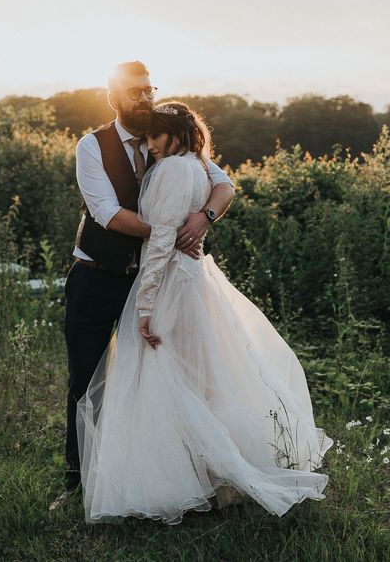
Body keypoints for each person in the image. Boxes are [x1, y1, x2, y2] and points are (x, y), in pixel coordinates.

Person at [75, 101, 333, 524]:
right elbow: (114, 213)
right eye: (148, 138)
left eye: (157, 137)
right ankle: (211, 477)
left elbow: (160, 243)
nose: (151, 145)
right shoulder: (194, 163)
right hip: (187, 279)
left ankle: (175, 481)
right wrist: (177, 229)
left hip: (170, 285)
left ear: (174, 135)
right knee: (198, 378)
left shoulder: (173, 169)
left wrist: (144, 306)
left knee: (166, 378)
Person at [50, 61, 236, 511]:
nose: (144, 98)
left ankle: (151, 476)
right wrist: (170, 230)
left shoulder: (172, 141)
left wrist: (204, 217)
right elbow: (106, 213)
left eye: (149, 89)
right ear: (112, 96)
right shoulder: (92, 146)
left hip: (159, 284)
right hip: (97, 276)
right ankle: (77, 483)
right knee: (85, 380)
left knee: (155, 380)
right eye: (134, 92)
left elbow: (224, 186)